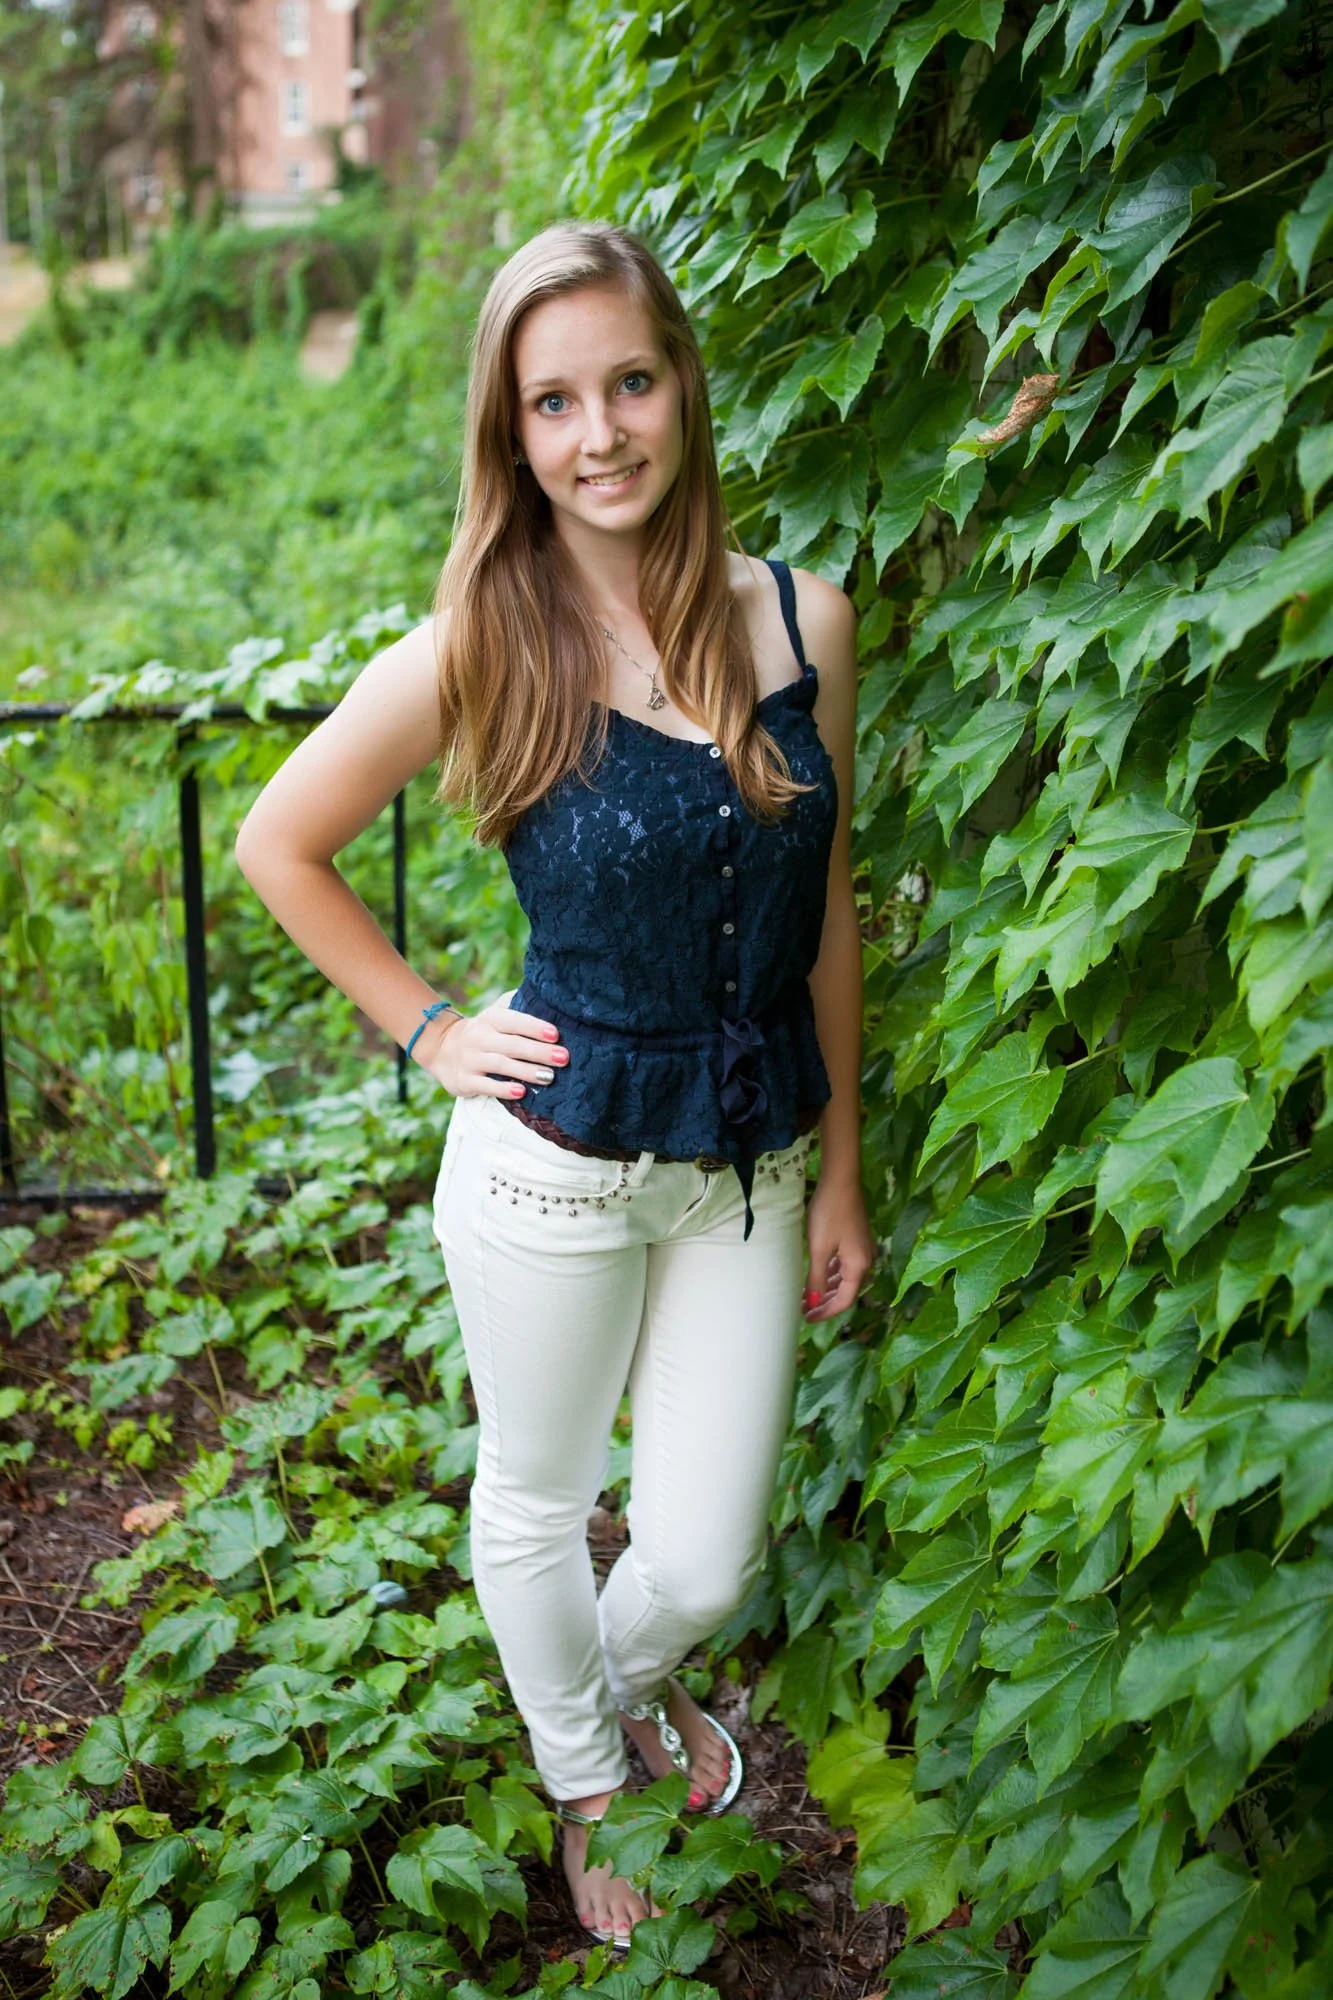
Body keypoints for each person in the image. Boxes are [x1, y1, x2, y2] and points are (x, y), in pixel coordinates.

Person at [235, 219, 876, 1953]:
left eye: (631, 382)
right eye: (553, 402)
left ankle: (605, 1680)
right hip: (552, 1170)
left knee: (703, 1566)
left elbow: (824, 915)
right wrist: (430, 1028)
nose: (602, 433)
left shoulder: (803, 618)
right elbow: (279, 841)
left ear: (683, 386)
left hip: (745, 1165)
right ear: (511, 435)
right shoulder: (485, 638)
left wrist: (839, 1168)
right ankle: (592, 1780)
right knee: (531, 1497)